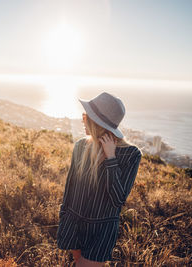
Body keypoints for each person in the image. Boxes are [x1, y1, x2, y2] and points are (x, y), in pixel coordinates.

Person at [57, 92, 142, 266]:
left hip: (101, 231)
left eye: (85, 116)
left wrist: (111, 158)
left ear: (97, 122)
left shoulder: (131, 155)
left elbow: (118, 199)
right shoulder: (81, 145)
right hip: (74, 223)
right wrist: (64, 219)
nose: (82, 119)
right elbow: (70, 187)